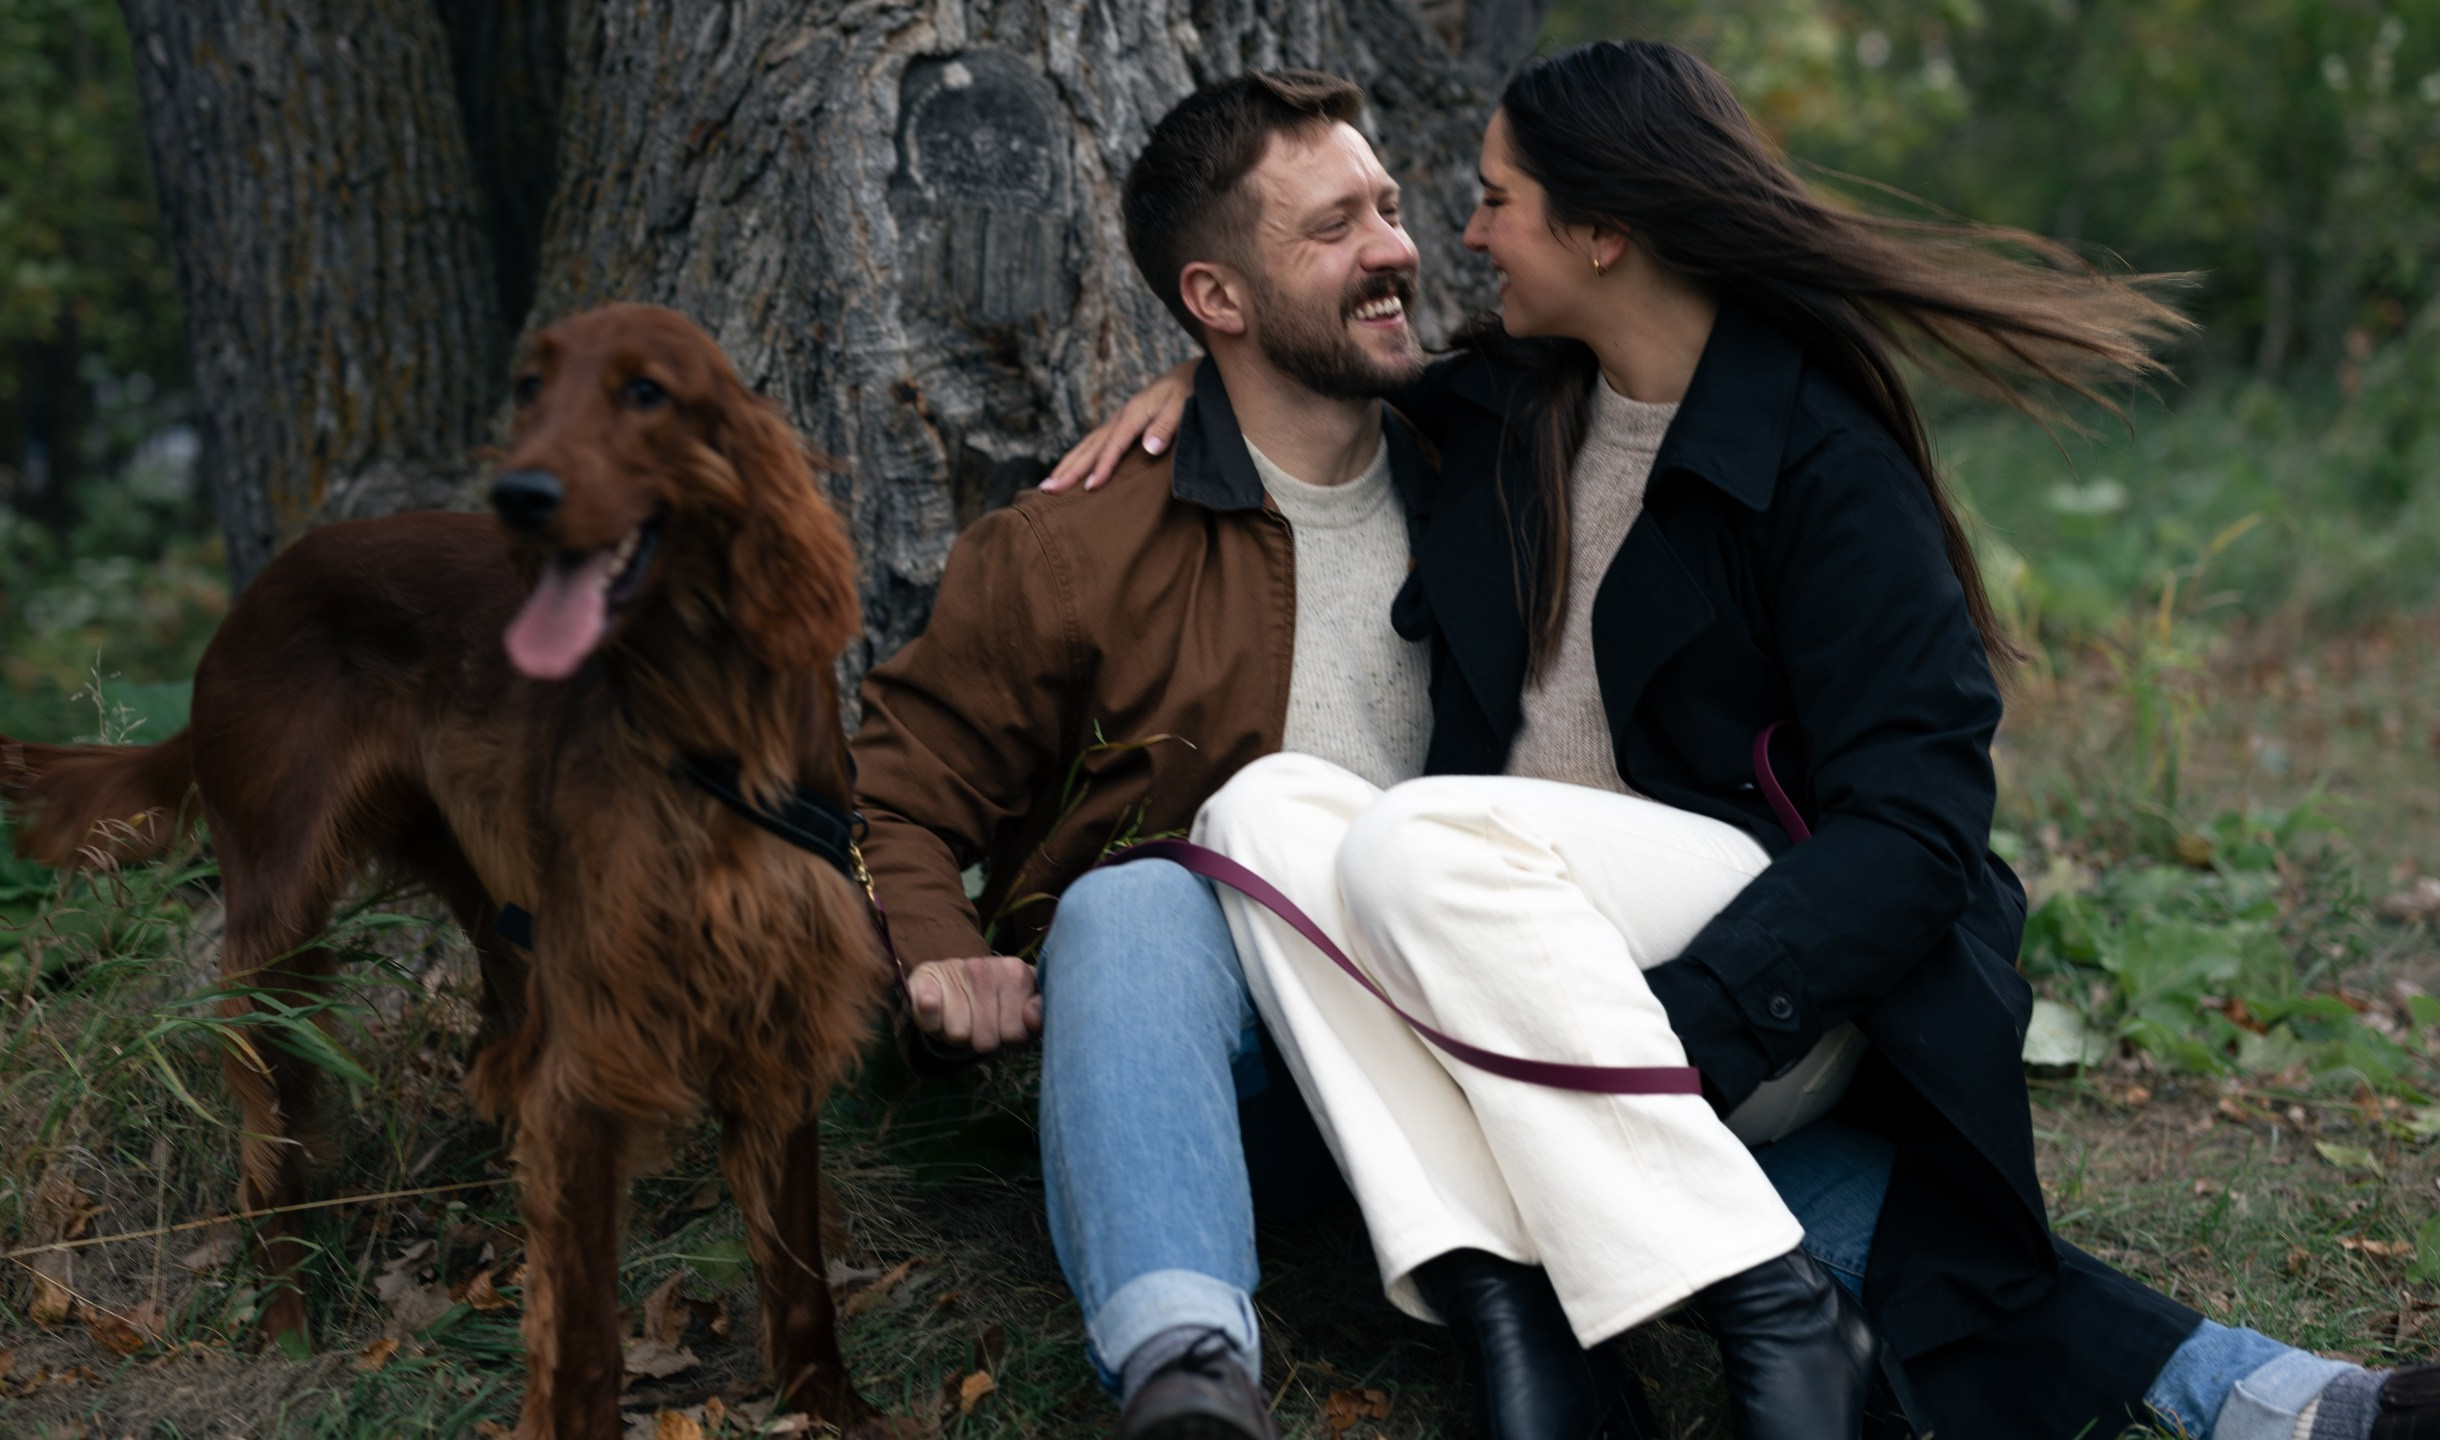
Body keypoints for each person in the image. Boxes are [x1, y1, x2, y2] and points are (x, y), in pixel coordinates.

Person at [1047, 39, 2440, 1440]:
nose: (1462, 234)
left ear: (1603, 233)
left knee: (1413, 836)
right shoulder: (1513, 409)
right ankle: (1547, 1321)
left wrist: (1694, 1023)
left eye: (1493, 200)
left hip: (1757, 982)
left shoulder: (1826, 474)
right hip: (1511, 953)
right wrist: (1202, 380)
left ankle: (1680, 1301)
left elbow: (1915, 833)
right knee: (1265, 810)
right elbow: (1313, 374)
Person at [850, 69, 1660, 1440]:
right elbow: (897, 788)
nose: (1397, 249)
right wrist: (940, 956)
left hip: (1484, 1029)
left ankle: (2142, 1367)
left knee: (1866, 1237)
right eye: (1335, 227)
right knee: (1135, 900)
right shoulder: (1074, 548)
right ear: (1216, 299)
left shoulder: (1500, 470)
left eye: (1391, 208)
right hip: (1237, 1078)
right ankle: (1189, 1379)